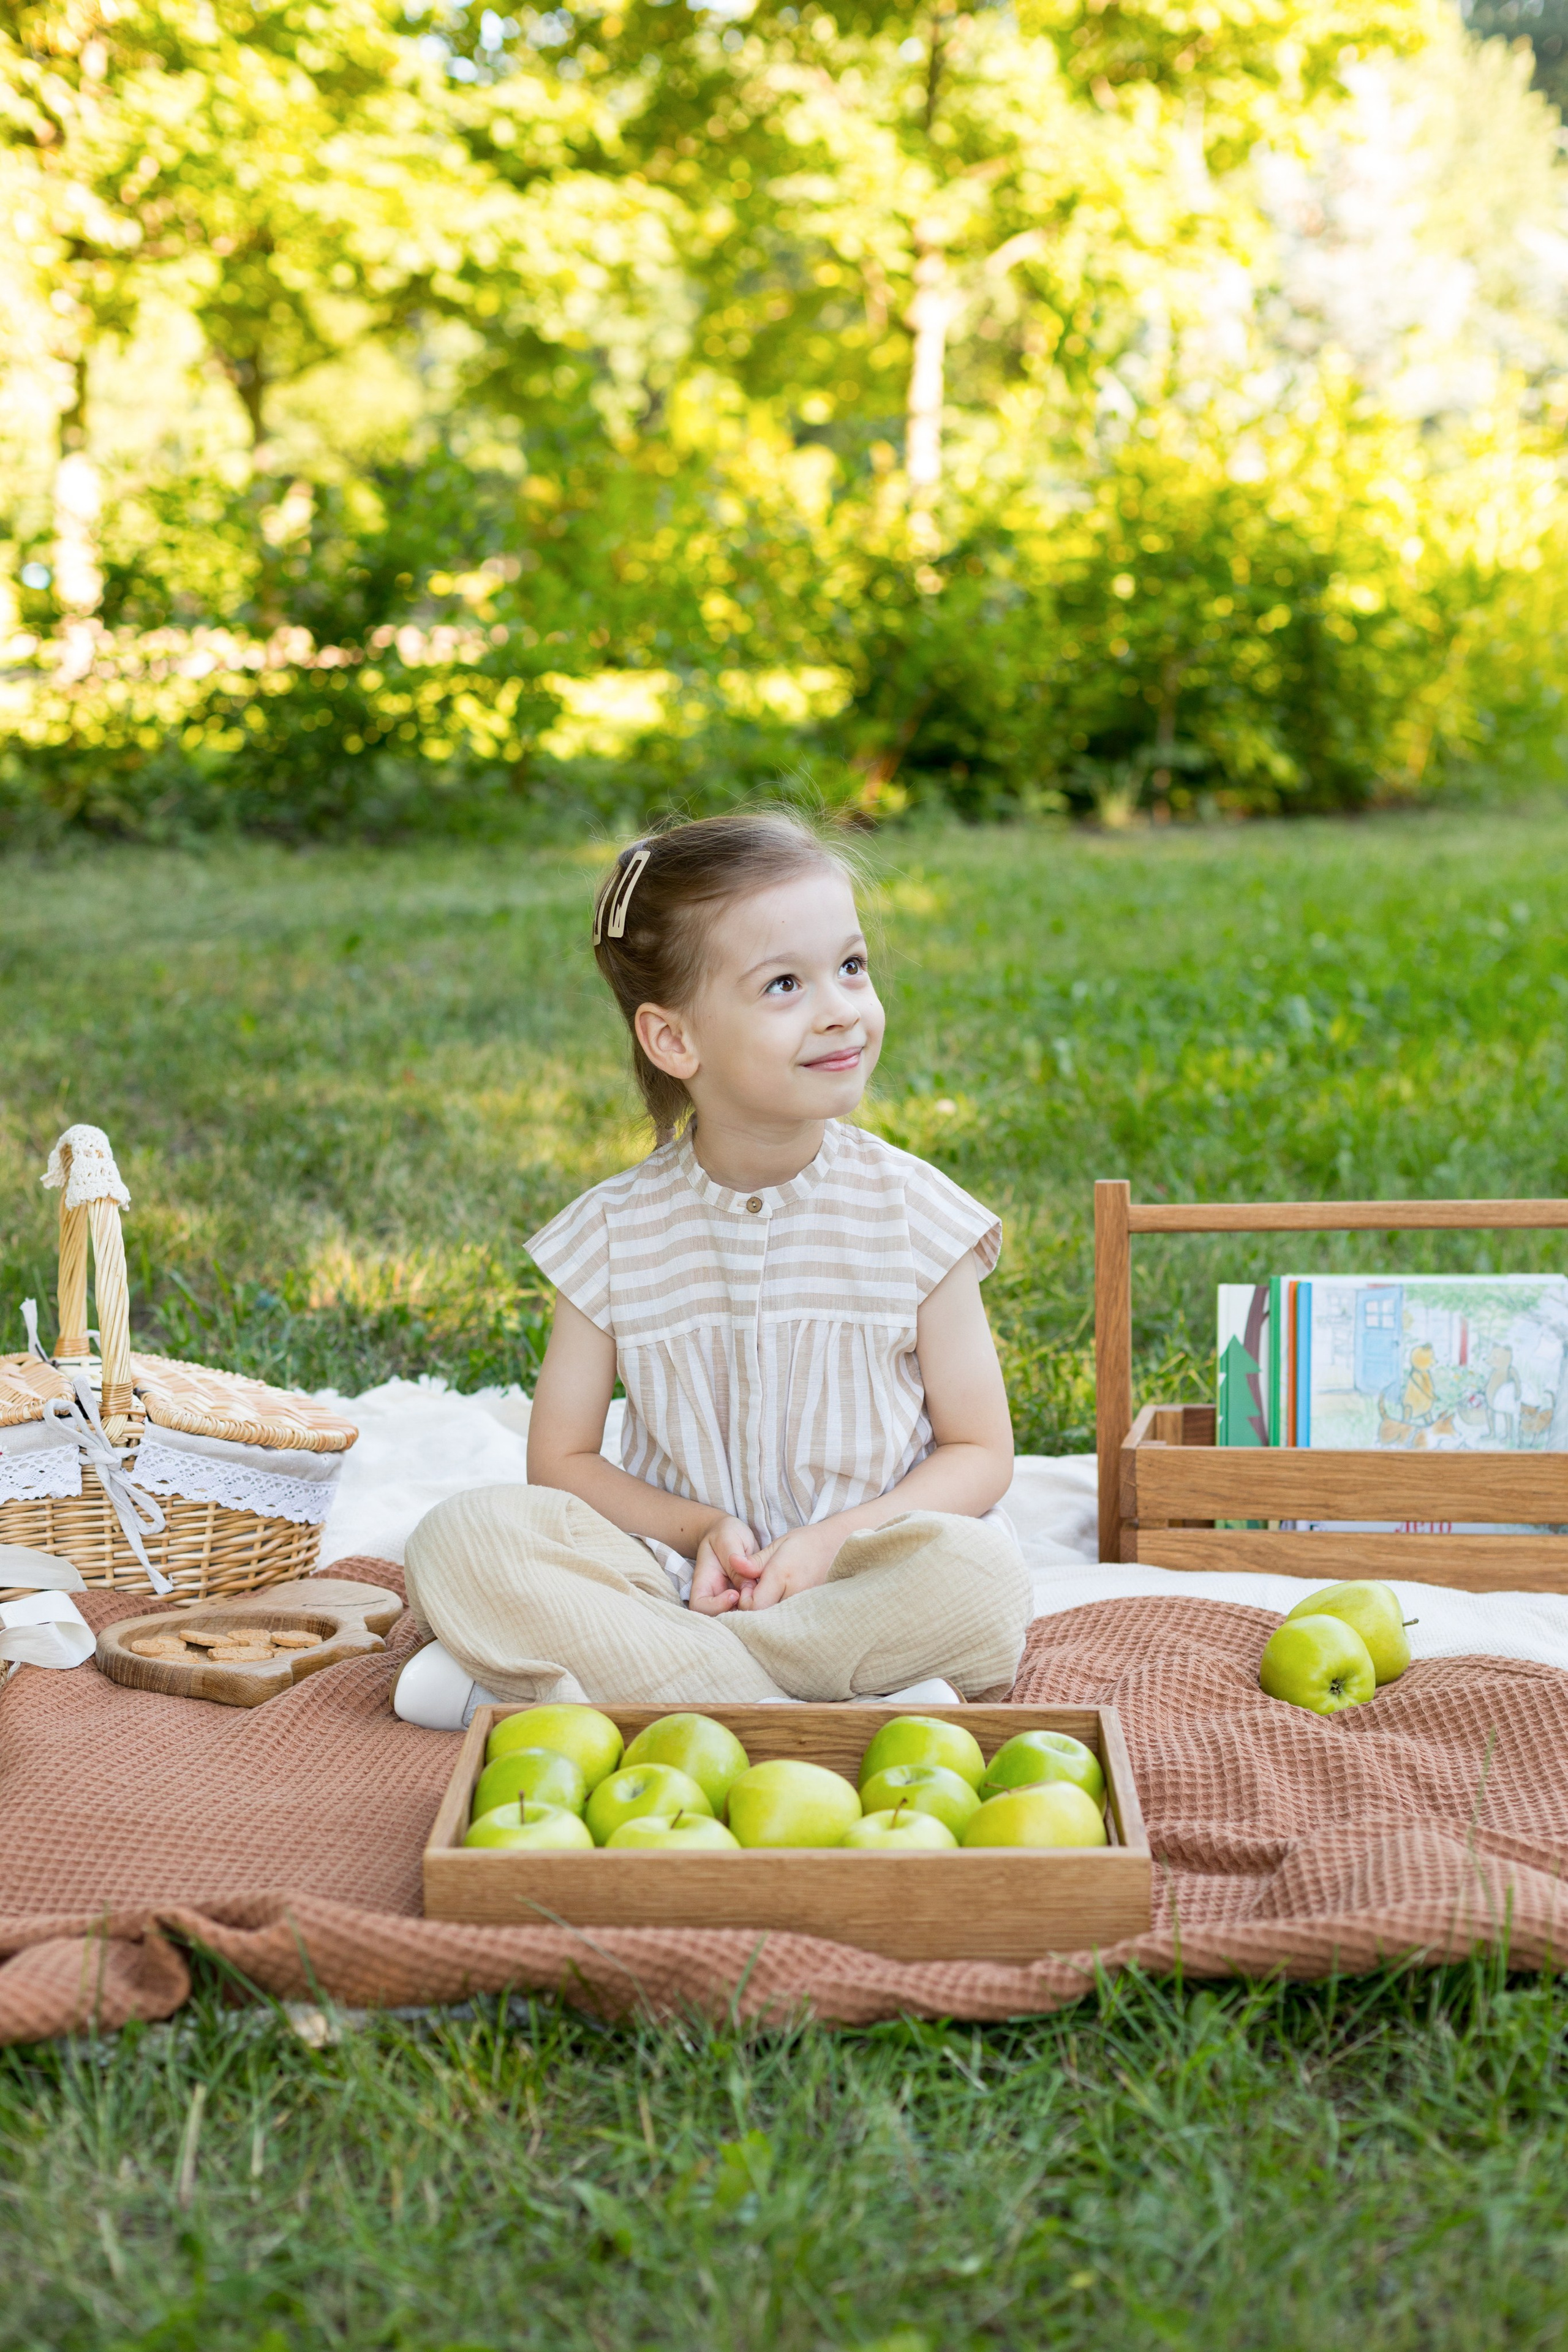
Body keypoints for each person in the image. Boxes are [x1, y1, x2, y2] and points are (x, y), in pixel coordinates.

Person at [394, 810, 1030, 1726]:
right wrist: (699, 1532)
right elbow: (561, 1462)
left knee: (979, 1580)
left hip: (864, 1567)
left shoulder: (916, 1216)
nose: (842, 1006)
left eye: (851, 967)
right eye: (785, 984)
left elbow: (981, 1454)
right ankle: (828, 1701)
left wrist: (825, 1546)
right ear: (675, 1041)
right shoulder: (614, 1233)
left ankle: (633, 1684)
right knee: (463, 1540)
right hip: (667, 1575)